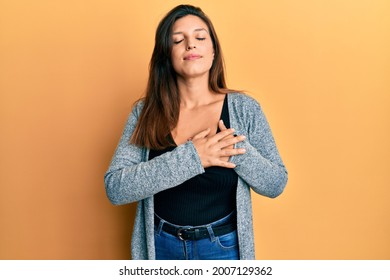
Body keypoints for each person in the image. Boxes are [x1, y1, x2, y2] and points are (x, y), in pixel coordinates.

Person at [104, 4, 288, 260]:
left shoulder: (244, 109)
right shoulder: (145, 112)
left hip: (223, 249)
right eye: (178, 40)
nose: (191, 45)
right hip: (161, 249)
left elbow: (276, 183)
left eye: (200, 37)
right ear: (166, 55)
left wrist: (231, 151)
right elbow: (116, 188)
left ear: (213, 51)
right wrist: (194, 157)